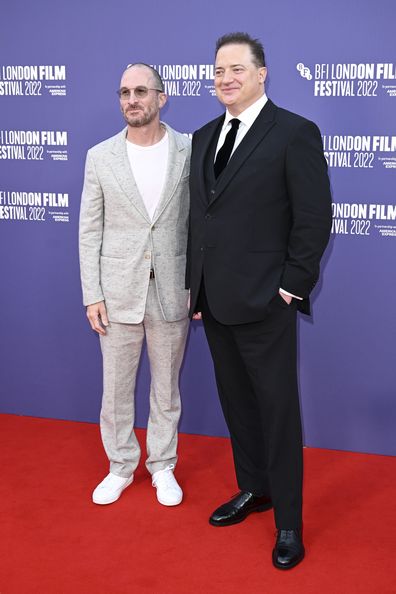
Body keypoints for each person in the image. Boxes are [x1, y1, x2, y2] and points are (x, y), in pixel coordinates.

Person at [187, 33, 332, 569]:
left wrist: (290, 288)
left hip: (267, 303)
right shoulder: (204, 136)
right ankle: (255, 489)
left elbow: (314, 218)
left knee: (277, 413)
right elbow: (201, 219)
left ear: (262, 73)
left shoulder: (294, 132)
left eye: (236, 69)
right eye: (218, 71)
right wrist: (195, 285)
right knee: (238, 406)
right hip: (216, 302)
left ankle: (289, 522)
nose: (225, 79)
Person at [79, 63, 190, 507]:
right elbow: (90, 229)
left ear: (161, 98)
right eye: (125, 92)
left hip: (172, 290)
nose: (132, 100)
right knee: (116, 388)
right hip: (117, 291)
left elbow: (201, 224)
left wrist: (197, 287)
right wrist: (93, 293)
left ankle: (163, 465)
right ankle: (120, 466)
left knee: (166, 388)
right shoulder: (99, 156)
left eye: (141, 91)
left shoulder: (188, 149)